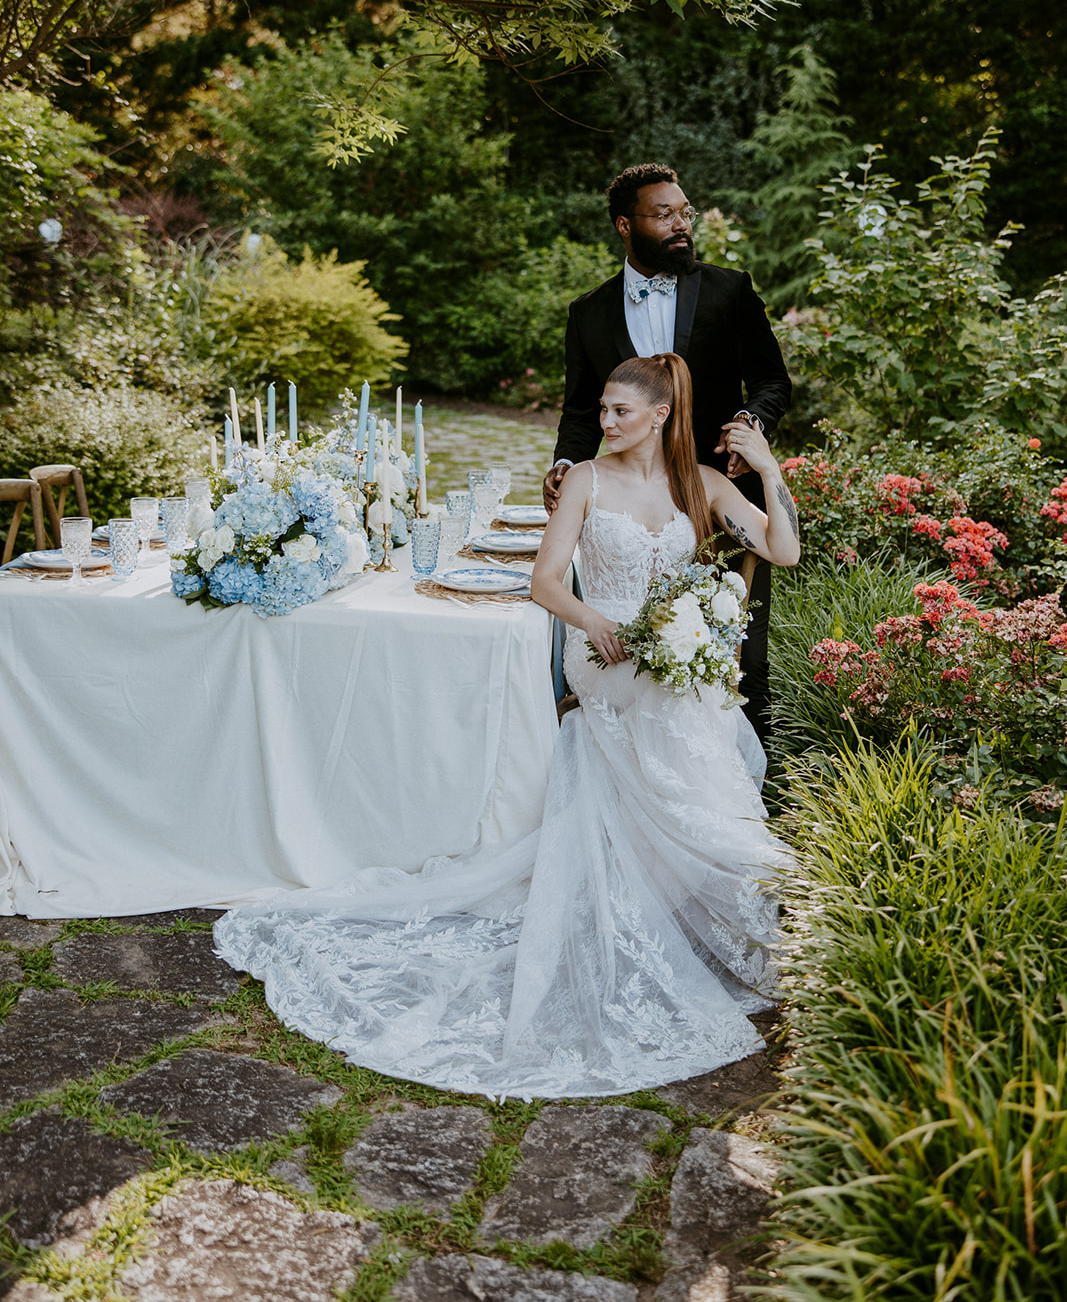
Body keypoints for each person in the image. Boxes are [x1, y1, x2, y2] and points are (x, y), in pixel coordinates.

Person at [213, 355, 799, 1099]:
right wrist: (593, 620)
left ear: (658, 415)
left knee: (681, 704)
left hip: (670, 655)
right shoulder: (584, 480)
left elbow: (782, 549)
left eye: (620, 411)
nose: (606, 421)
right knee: (672, 709)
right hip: (606, 650)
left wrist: (766, 467)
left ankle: (717, 874)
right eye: (603, 409)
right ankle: (723, 866)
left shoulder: (704, 486)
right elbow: (545, 582)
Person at [544, 162, 792, 746]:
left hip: (718, 494)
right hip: (630, 499)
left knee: (736, 655)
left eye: (685, 212)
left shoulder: (731, 291)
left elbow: (772, 380)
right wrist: (564, 465)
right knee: (642, 656)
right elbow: (582, 410)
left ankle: (747, 795)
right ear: (626, 226)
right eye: (665, 215)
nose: (682, 224)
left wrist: (748, 424)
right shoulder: (589, 313)